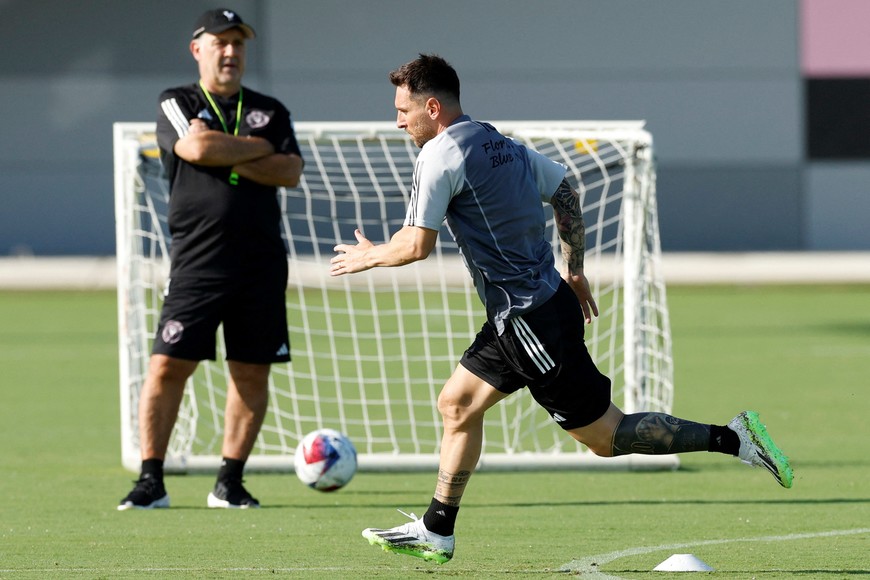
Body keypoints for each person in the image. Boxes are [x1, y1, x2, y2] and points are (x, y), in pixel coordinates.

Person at [330, 54, 793, 563]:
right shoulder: (498, 141)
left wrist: (368, 256)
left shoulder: (438, 155)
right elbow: (566, 192)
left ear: (433, 107)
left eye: (404, 111)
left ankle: (733, 437)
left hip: (530, 323)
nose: (399, 122)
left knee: (606, 436)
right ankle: (437, 530)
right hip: (532, 308)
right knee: (456, 404)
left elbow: (415, 245)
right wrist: (573, 269)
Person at [118, 8, 304, 510]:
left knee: (250, 372)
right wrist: (251, 150)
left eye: (238, 44)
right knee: (166, 367)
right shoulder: (176, 101)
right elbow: (195, 147)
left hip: (261, 264)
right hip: (197, 264)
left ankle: (230, 480)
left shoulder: (271, 109)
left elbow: (289, 170)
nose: (230, 52)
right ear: (197, 49)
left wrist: (225, 149)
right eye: (220, 43)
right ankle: (151, 479)